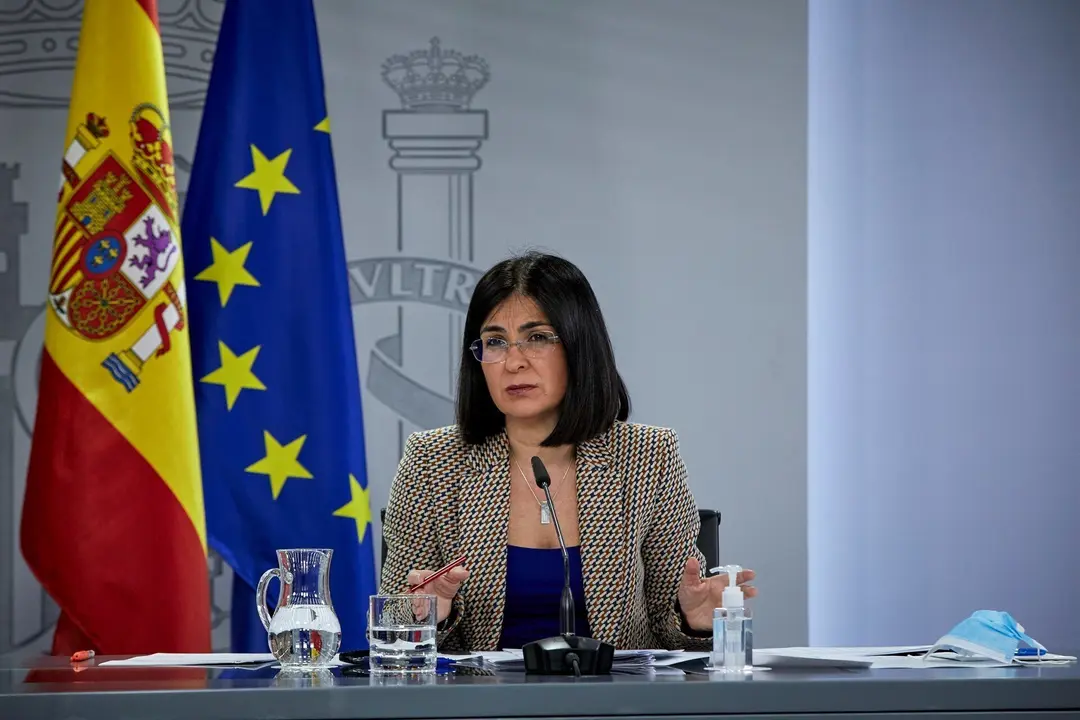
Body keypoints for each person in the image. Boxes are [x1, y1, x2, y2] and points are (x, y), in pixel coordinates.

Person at [379, 251, 755, 651]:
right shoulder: (433, 461)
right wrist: (424, 612)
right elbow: (389, 623)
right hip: (479, 708)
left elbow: (670, 627)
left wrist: (696, 623)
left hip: (615, 707)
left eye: (537, 337)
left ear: (579, 346)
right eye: (495, 342)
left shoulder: (648, 456)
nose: (513, 362)